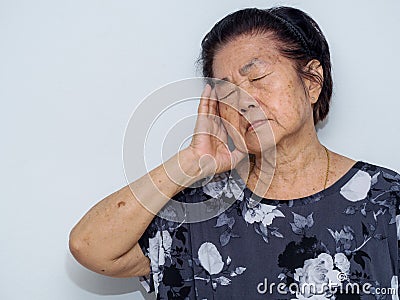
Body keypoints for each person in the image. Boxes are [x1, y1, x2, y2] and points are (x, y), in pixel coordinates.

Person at [69, 6, 400, 299]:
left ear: (312, 82)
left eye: (256, 77)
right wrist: (187, 164)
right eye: (227, 91)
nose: (243, 101)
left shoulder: (388, 201)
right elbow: (90, 248)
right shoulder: (198, 209)